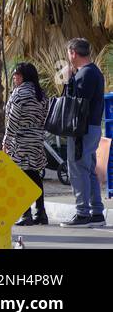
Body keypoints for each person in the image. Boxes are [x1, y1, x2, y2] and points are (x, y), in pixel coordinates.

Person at [60, 37, 106, 228]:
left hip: (82, 128)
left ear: (73, 53)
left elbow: (75, 102)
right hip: (91, 127)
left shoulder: (84, 74)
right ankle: (96, 212)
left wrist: (67, 80)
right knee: (88, 170)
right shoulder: (93, 72)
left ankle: (82, 213)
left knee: (78, 169)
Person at [4, 62, 48, 226]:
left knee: (19, 176)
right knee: (34, 175)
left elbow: (13, 120)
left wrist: (6, 140)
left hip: (20, 140)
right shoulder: (41, 94)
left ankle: (25, 214)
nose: (14, 76)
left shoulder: (19, 93)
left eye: (16, 73)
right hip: (36, 139)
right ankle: (41, 213)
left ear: (24, 76)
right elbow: (45, 116)